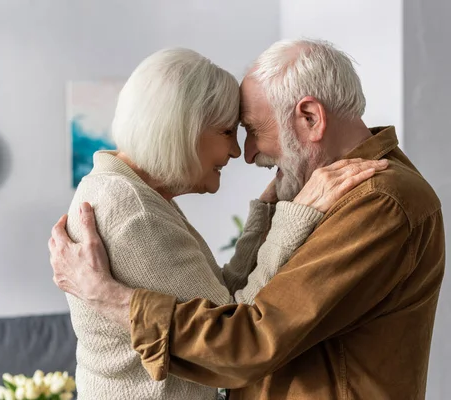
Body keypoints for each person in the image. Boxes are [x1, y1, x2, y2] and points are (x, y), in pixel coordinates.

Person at [49, 39, 445, 400]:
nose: (247, 152)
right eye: (233, 131)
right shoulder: (130, 201)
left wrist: (112, 299)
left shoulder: (377, 202)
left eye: (252, 130)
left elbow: (245, 340)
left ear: (309, 118)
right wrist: (275, 213)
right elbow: (232, 311)